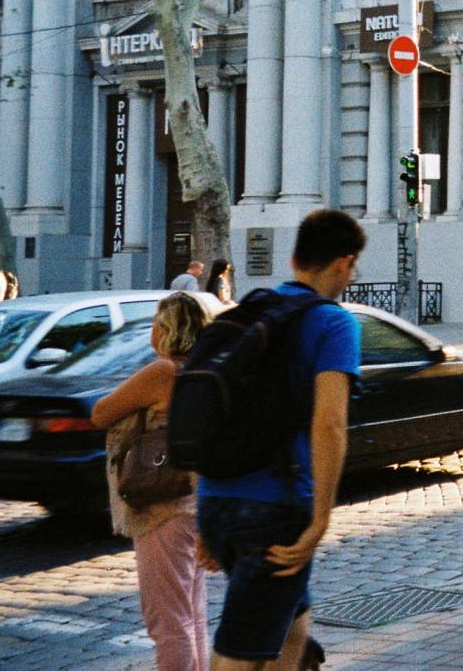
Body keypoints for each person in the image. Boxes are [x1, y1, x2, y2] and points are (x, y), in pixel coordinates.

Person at [194, 209, 365, 671]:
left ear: (293, 259)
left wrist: (205, 509)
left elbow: (206, 409)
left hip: (219, 498)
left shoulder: (250, 311)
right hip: (275, 508)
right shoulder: (334, 324)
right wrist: (320, 521)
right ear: (343, 264)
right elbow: (329, 424)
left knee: (293, 622)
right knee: (236, 654)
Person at [92, 291, 221, 671]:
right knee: (191, 612)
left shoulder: (165, 371)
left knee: (167, 622)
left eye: (155, 322)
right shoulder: (207, 370)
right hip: (195, 502)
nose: (151, 329)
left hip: (162, 508)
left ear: (168, 328)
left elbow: (101, 412)